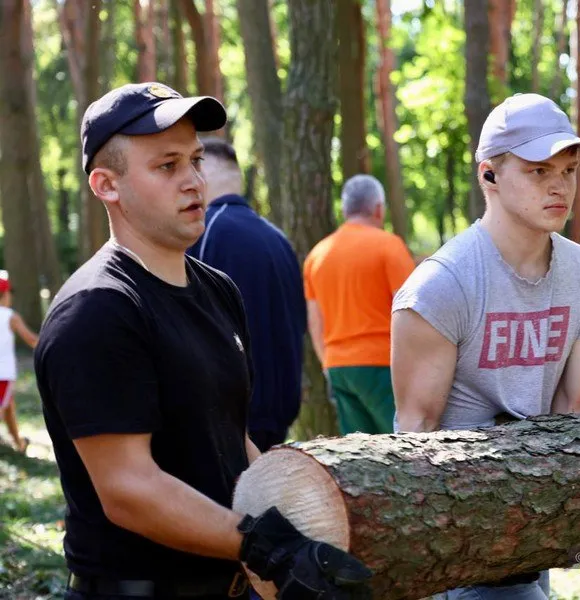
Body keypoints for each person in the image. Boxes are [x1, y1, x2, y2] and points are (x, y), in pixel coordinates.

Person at [35, 82, 371, 599]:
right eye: (167, 166)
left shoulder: (218, 290)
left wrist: (301, 532)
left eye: (195, 160)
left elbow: (231, 437)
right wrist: (268, 547)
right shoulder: (97, 309)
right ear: (107, 185)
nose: (193, 180)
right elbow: (129, 489)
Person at [391, 93, 580, 599]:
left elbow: (577, 409)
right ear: (489, 175)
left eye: (568, 170)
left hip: (536, 514)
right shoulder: (441, 286)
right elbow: (415, 435)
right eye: (538, 171)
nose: (560, 185)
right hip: (456, 525)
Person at [187, 138, 305, 452]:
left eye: (194, 166)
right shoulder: (278, 239)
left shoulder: (204, 231)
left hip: (233, 415)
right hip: (279, 408)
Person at [303, 174, 415, 435]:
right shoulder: (389, 246)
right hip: (383, 366)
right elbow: (411, 310)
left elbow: (315, 320)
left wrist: (327, 364)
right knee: (402, 446)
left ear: (345, 210)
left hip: (339, 368)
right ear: (378, 209)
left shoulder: (317, 255)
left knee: (360, 453)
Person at [0, 274, 39, 453]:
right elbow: (32, 340)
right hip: (3, 374)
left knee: (9, 408)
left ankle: (19, 443)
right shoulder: (10, 316)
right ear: (5, 294)